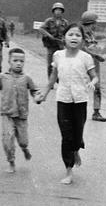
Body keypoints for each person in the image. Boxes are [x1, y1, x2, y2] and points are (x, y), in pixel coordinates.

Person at [38, 23, 98, 185]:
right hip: (63, 99)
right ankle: (68, 170)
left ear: (82, 40)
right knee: (66, 135)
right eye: (71, 34)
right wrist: (44, 93)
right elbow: (52, 78)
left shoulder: (86, 57)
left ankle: (76, 148)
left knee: (77, 134)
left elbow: (94, 76)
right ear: (64, 38)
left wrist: (93, 82)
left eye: (78, 35)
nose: (74, 38)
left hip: (80, 100)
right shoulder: (58, 55)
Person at [0, 48, 41, 173]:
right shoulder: (2, 77)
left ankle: (24, 149)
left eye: (21, 61)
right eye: (15, 60)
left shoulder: (27, 78)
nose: (18, 63)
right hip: (7, 114)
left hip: (22, 115)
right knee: (8, 140)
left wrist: (37, 97)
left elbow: (35, 91)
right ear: (9, 61)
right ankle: (11, 161)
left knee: (23, 141)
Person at [80, 11, 106, 122]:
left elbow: (92, 47)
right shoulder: (80, 33)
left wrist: (99, 55)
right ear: (91, 23)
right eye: (95, 23)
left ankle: (96, 112)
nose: (96, 25)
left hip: (94, 64)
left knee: (97, 87)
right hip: (83, 64)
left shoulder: (91, 34)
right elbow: (82, 48)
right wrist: (96, 55)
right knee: (81, 87)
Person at [38, 2, 69, 79]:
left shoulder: (65, 22)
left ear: (62, 11)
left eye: (60, 10)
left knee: (60, 63)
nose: (58, 12)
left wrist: (65, 39)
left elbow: (68, 32)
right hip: (51, 45)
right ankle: (50, 80)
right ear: (53, 11)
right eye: (56, 10)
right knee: (50, 64)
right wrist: (49, 36)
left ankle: (58, 78)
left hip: (60, 45)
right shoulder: (49, 21)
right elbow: (41, 29)